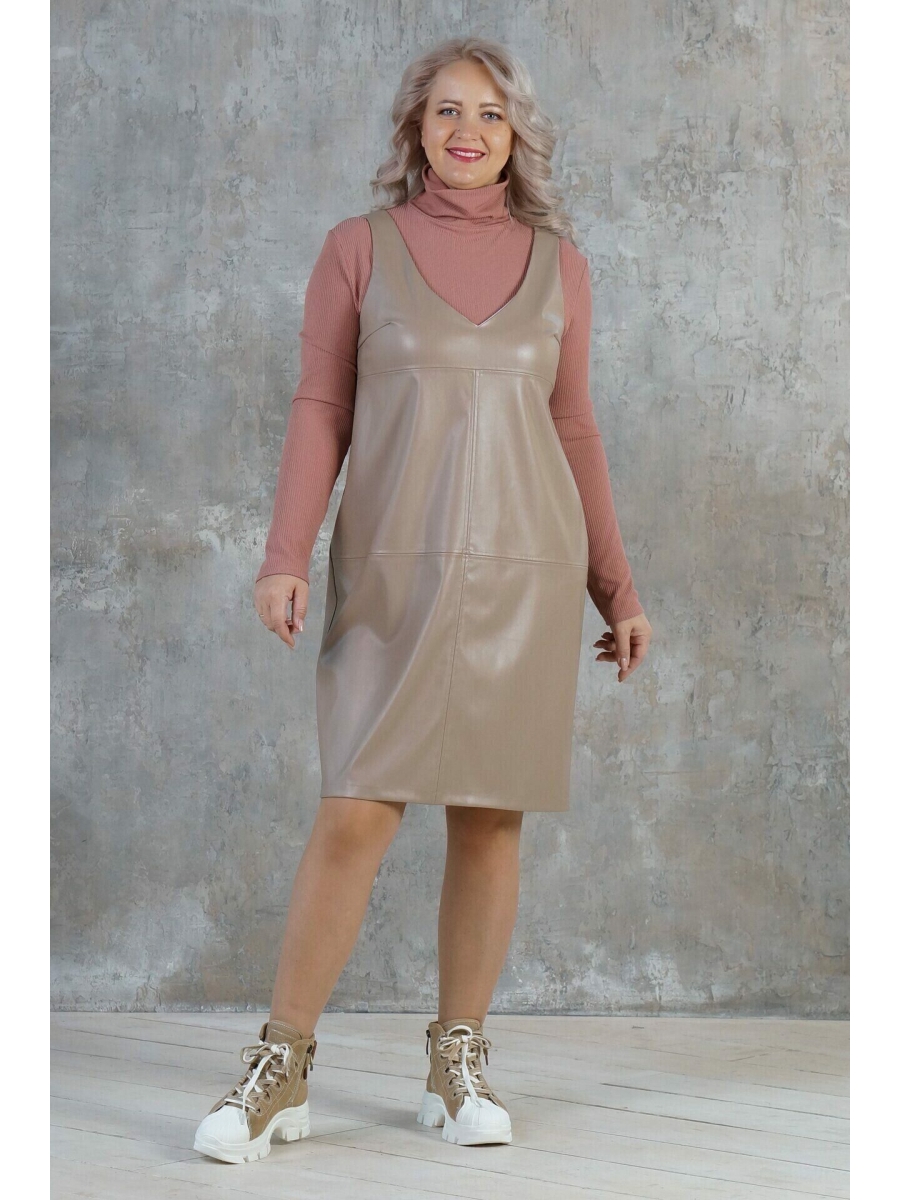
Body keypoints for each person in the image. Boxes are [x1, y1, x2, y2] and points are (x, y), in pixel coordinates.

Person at [194, 36, 652, 1165]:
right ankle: (281, 1067)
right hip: (392, 576)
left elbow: (575, 426)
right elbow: (321, 407)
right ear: (416, 128)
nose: (468, 130)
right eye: (447, 110)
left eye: (490, 114)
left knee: (489, 819)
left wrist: (617, 587)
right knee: (356, 809)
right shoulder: (357, 250)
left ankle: (458, 1061)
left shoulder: (563, 266)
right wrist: (285, 554)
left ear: (516, 134)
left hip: (526, 577)